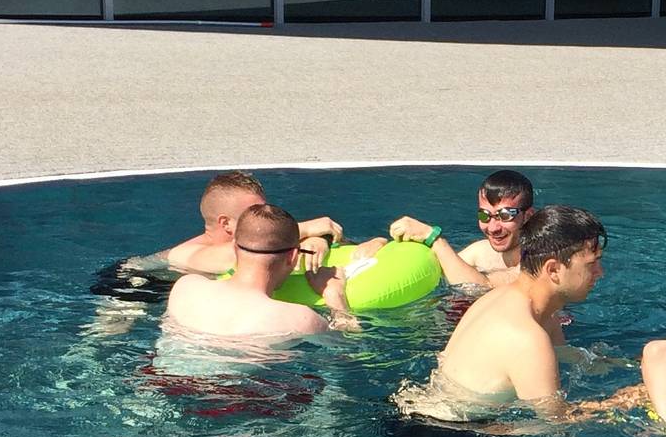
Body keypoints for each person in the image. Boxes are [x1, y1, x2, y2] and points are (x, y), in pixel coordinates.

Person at [393, 205, 606, 420]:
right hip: (441, 431)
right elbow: (556, 421)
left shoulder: (510, 300)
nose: (600, 273)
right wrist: (620, 402)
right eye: (592, 264)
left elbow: (563, 353)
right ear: (553, 270)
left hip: (416, 413)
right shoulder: (527, 337)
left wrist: (614, 363)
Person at [164, 203, 356, 337]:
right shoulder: (300, 320)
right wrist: (335, 297)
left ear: (234, 248)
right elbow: (348, 351)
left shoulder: (185, 286)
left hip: (160, 377)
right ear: (292, 257)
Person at [356, 170, 536, 288]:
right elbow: (430, 266)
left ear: (528, 216)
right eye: (484, 216)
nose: (493, 227)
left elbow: (481, 287)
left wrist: (434, 238)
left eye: (505, 215)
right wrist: (382, 245)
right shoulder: (480, 252)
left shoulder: (538, 261)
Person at [159, 171, 345, 276]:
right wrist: (305, 229)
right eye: (254, 212)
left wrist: (319, 239)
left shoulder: (257, 242)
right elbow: (241, 255)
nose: (264, 217)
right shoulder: (184, 254)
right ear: (226, 223)